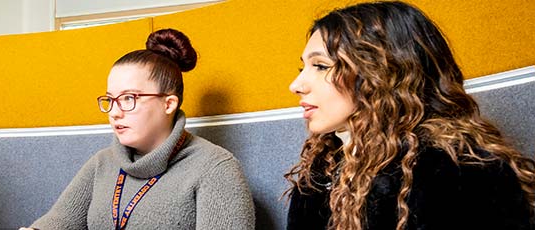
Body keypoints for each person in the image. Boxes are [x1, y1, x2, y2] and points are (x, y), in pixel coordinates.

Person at [284, 2, 535, 229]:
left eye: (321, 66)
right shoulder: (319, 172)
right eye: (303, 67)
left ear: (382, 73)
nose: (296, 85)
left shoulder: (458, 172)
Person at [29, 29, 255, 229]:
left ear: (168, 104)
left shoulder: (215, 167)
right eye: (110, 99)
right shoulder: (103, 162)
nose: (114, 112)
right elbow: (58, 221)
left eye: (128, 98)